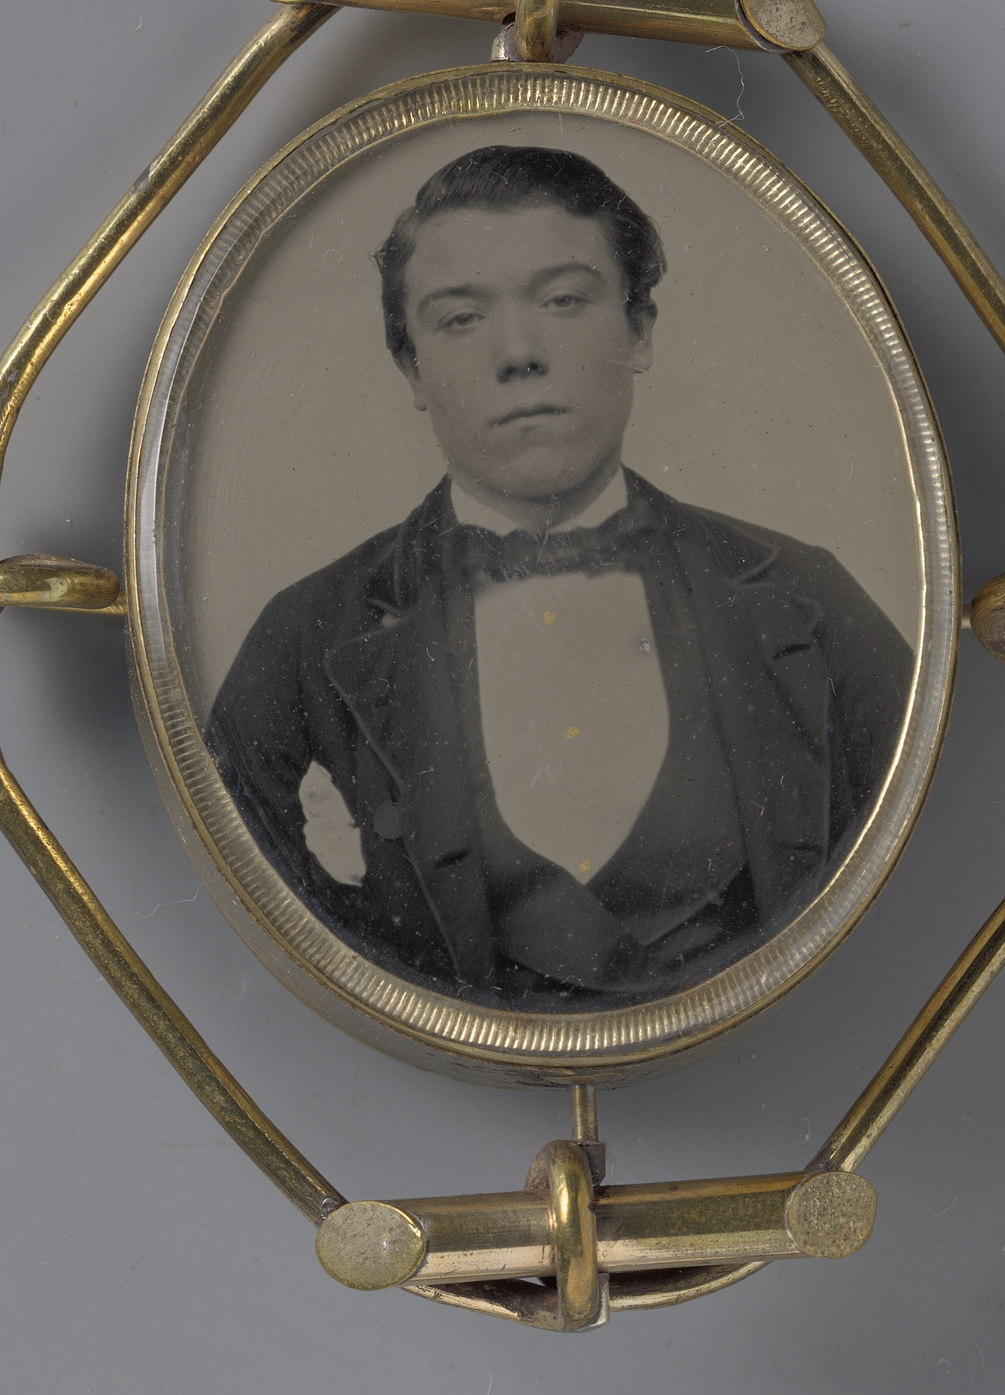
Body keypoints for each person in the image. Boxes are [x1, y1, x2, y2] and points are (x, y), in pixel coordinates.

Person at [205, 146, 911, 1007]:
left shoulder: (806, 598)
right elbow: (245, 926)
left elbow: (935, 854)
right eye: (460, 318)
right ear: (411, 367)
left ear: (639, 328)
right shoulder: (304, 639)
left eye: (565, 301)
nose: (519, 353)